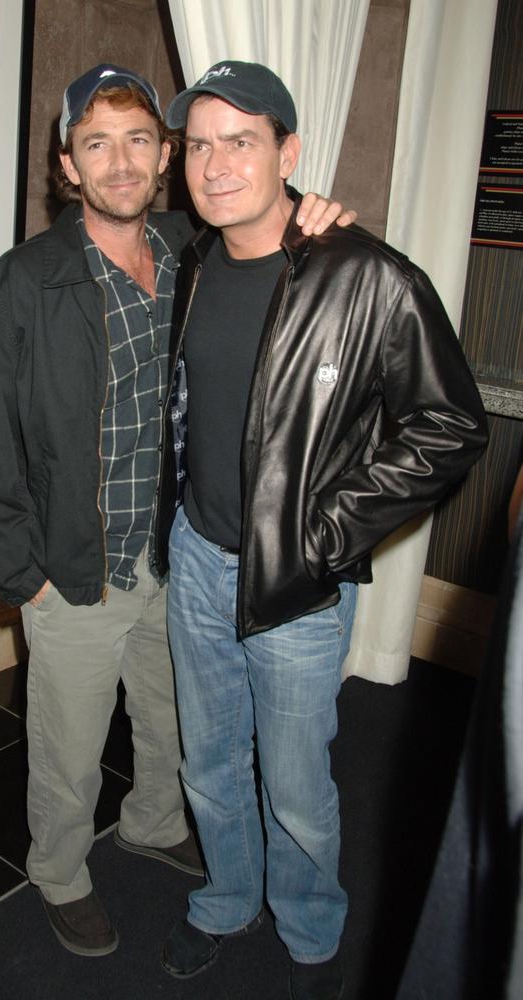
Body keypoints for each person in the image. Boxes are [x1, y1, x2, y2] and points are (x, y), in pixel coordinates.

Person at [0, 62, 354, 961]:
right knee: (69, 747)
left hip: (173, 558)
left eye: (138, 141)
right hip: (73, 571)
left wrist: (321, 211)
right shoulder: (28, 280)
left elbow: (275, 227)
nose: (120, 163)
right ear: (67, 164)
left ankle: (153, 820)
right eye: (97, 145)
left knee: (171, 726)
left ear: (165, 155)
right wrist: (25, 580)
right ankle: (60, 872)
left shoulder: (191, 251)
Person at [154, 61, 489, 1000]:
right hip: (197, 553)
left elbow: (454, 424)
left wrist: (330, 530)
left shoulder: (367, 276)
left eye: (243, 142)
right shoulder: (192, 257)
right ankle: (226, 899)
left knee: (297, 783)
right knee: (211, 758)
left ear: (289, 153)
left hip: (298, 580)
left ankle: (308, 931)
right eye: (201, 145)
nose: (217, 165)